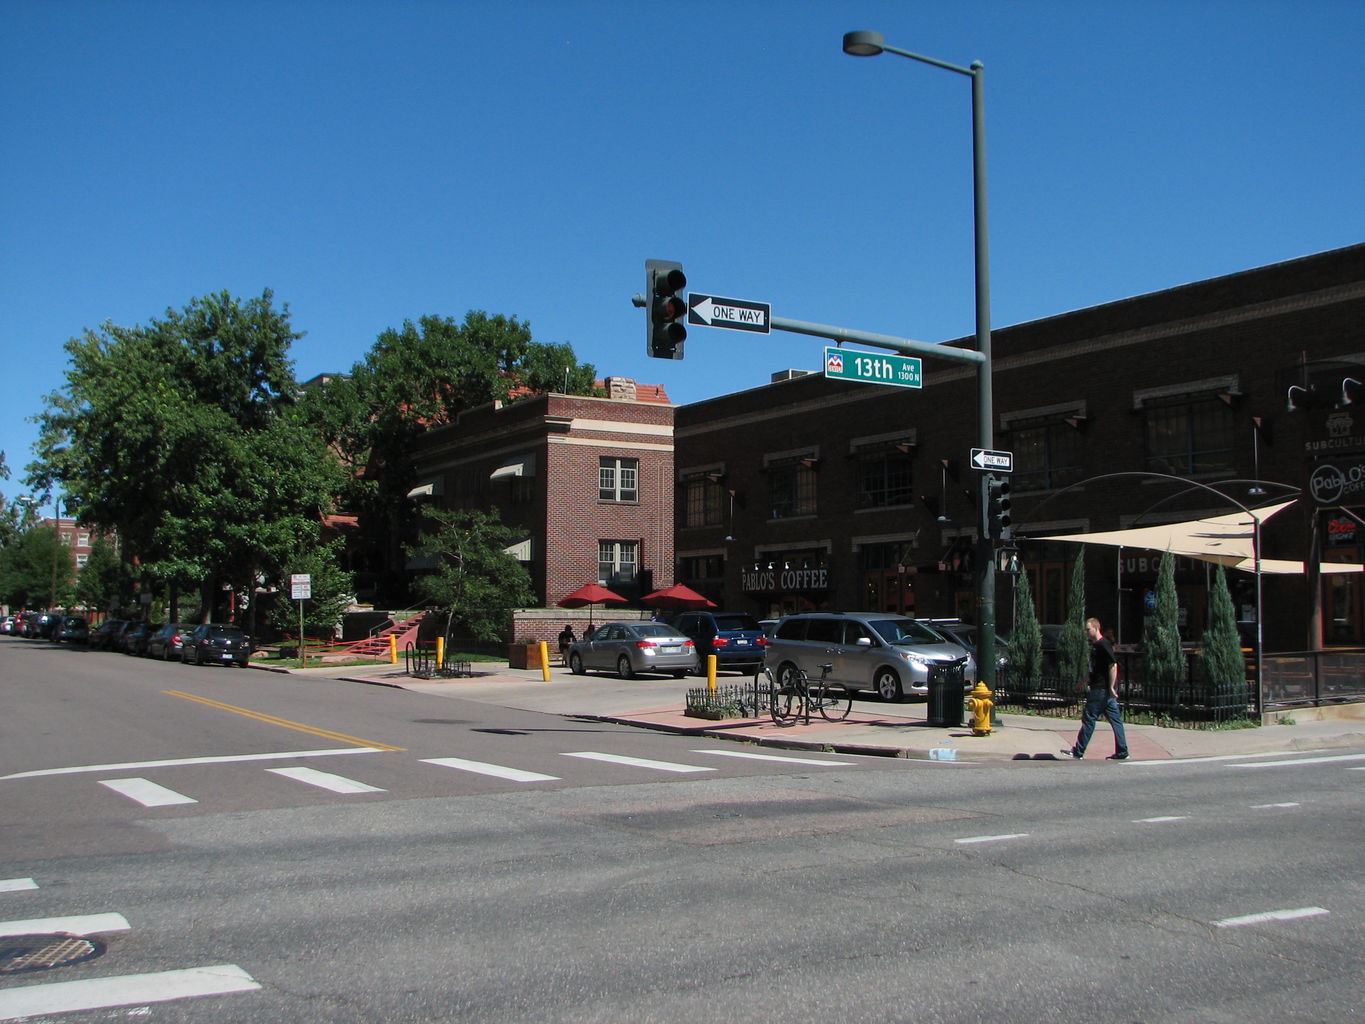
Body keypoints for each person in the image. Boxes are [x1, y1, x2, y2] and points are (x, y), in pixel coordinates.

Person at [1061, 617, 1130, 760]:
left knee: (1089, 719)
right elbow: (1094, 669)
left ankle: (1078, 752)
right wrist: (1083, 682)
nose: (1086, 632)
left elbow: (1113, 665)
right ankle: (1122, 752)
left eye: (1088, 629)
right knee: (1116, 720)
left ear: (1096, 628)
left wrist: (1111, 687)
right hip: (1101, 689)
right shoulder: (1095, 646)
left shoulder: (1103, 644)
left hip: (1100, 690)